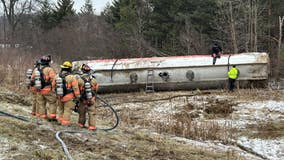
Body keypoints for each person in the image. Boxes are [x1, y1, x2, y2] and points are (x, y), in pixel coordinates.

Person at [53, 61, 80, 126]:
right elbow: (75, 88)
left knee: (61, 109)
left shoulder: (57, 76)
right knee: (67, 110)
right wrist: (78, 96)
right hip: (69, 97)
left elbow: (53, 86)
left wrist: (56, 94)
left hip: (60, 96)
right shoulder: (71, 77)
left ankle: (60, 121)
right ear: (69, 69)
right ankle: (65, 124)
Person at [31, 55, 57, 120]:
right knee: (52, 102)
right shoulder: (49, 69)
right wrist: (53, 88)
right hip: (48, 90)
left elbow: (32, 79)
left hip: (39, 90)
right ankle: (52, 116)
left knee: (41, 104)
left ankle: (43, 116)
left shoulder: (36, 69)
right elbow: (54, 79)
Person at [77, 64, 99, 131]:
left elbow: (77, 90)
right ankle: (92, 127)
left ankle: (81, 125)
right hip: (91, 99)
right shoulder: (94, 80)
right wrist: (93, 98)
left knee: (82, 113)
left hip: (83, 100)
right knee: (92, 113)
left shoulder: (79, 80)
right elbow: (96, 89)